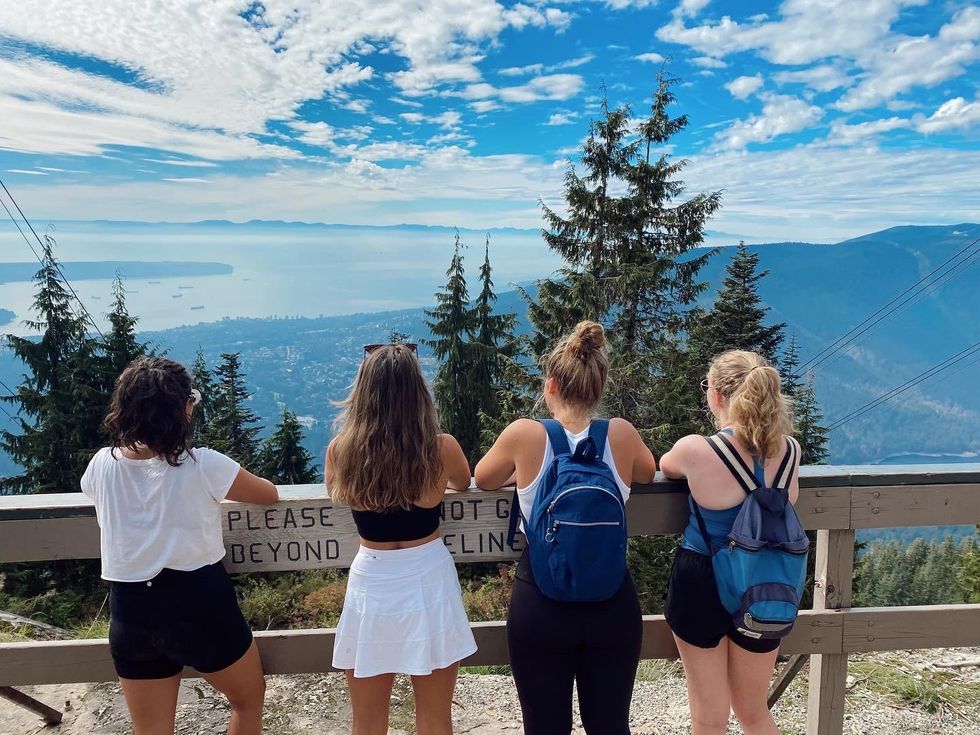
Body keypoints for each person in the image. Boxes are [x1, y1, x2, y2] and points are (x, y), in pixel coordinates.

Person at [81, 356, 279, 735]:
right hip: (199, 603)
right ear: (183, 408)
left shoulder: (101, 465)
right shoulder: (203, 465)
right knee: (248, 700)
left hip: (131, 610)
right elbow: (267, 494)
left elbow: (95, 492)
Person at [475, 321, 656, 735]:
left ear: (550, 385)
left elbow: (483, 477)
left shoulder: (524, 435)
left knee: (544, 728)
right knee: (610, 726)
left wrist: (524, 475)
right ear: (599, 386)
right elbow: (648, 472)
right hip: (611, 603)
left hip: (541, 602)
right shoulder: (622, 435)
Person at [327, 343, 476, 735]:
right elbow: (462, 482)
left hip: (371, 581)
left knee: (368, 720)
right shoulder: (441, 448)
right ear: (419, 392)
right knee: (434, 717)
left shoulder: (341, 451)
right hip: (428, 576)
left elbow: (337, 493)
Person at [661, 350, 801, 735]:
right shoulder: (789, 452)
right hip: (765, 582)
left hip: (703, 578)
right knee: (754, 712)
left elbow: (665, 465)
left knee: (709, 717)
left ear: (717, 396)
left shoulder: (696, 450)